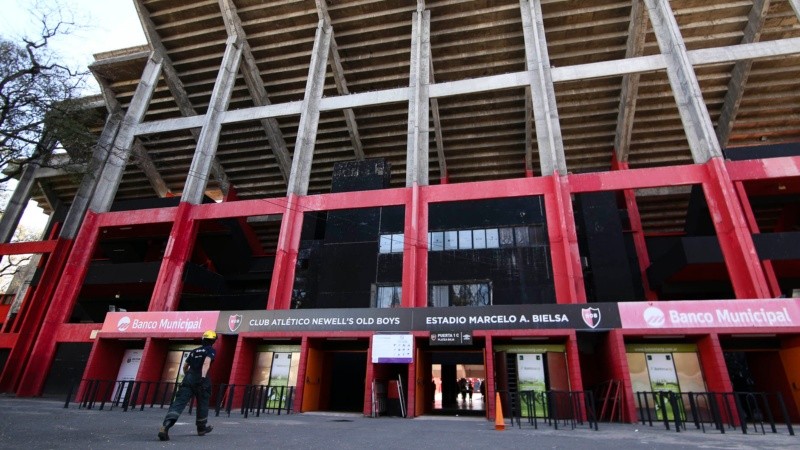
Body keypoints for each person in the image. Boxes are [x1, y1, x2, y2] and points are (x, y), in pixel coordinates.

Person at [158, 330, 217, 441]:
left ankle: (166, 425)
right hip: (201, 379)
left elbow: (185, 366)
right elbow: (206, 363)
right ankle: (201, 428)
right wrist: (203, 377)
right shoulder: (210, 350)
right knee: (203, 403)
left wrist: (187, 376)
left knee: (179, 403)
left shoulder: (194, 351)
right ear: (213, 341)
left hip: (188, 379)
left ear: (203, 339)